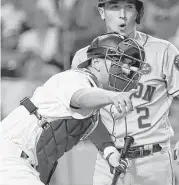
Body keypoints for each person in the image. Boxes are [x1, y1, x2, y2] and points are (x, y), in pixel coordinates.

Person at [71, 0, 179, 185]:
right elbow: (84, 112)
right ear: (102, 11)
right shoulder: (84, 58)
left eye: (129, 7)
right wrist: (107, 149)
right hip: (108, 160)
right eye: (114, 6)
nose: (122, 15)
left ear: (138, 12)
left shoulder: (162, 51)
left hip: (154, 160)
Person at [0, 32, 145, 185]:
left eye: (128, 64)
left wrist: (110, 152)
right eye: (118, 61)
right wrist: (112, 97)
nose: (126, 68)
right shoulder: (75, 78)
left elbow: (92, 124)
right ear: (95, 62)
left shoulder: (90, 106)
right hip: (10, 156)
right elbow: (80, 97)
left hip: (20, 162)